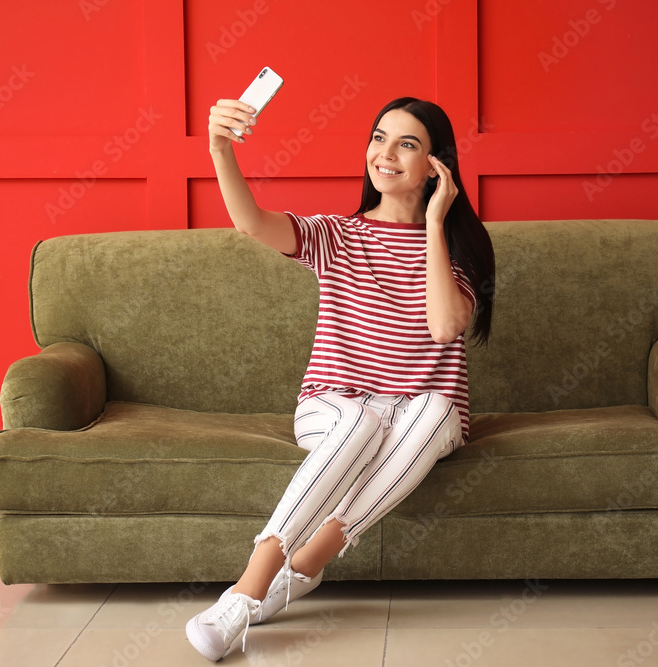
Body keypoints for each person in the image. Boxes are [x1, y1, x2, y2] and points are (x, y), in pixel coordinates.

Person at [186, 95, 495, 662]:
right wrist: (219, 149)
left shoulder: (459, 247)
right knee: (359, 417)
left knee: (432, 410)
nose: (385, 153)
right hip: (334, 405)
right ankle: (252, 587)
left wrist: (432, 222)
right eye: (378, 138)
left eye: (407, 143)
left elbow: (445, 326)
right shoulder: (337, 235)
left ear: (436, 165)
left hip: (424, 418)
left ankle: (307, 564)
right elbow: (252, 224)